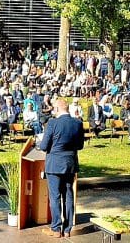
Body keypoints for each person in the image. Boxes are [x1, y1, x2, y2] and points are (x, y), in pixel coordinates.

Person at [38, 99, 84, 238]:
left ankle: (56, 228)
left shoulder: (52, 123)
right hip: (70, 164)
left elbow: (44, 146)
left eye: (53, 109)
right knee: (68, 195)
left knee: (55, 196)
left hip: (54, 165)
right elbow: (80, 145)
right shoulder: (78, 123)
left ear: (57, 109)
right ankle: (67, 229)